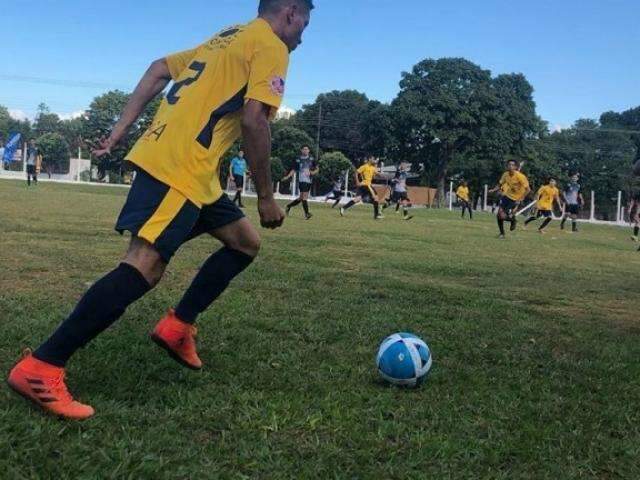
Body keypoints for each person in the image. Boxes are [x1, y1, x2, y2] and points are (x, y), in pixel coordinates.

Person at [7, 0, 314, 420]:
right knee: (145, 266)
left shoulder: (229, 36)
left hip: (196, 172)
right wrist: (265, 196)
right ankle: (42, 366)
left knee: (244, 243)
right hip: (180, 167)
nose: (302, 37)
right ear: (291, 13)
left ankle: (177, 326)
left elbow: (157, 68)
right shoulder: (271, 45)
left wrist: (120, 129)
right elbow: (254, 121)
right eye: (305, 25)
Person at [489, 160, 531, 239]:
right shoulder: (505, 174)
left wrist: (521, 198)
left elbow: (528, 189)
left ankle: (513, 221)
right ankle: (503, 233)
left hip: (515, 199)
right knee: (499, 215)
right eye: (509, 165)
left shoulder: (520, 176)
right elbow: (500, 184)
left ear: (515, 167)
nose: (510, 166)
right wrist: (494, 189)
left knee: (502, 215)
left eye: (512, 165)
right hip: (506, 196)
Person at [340, 156, 384, 220]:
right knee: (376, 198)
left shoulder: (373, 167)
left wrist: (382, 174)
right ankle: (376, 215)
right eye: (373, 159)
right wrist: (357, 182)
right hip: (366, 185)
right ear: (369, 159)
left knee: (357, 199)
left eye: (374, 159)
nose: (374, 160)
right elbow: (356, 173)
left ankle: (343, 208)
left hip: (367, 185)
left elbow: (377, 174)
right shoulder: (364, 166)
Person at [282, 145, 318, 219]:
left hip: (309, 181)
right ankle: (307, 214)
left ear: (309, 150)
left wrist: (312, 173)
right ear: (301, 150)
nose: (305, 150)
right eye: (304, 149)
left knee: (301, 198)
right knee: (304, 197)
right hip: (302, 180)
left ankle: (288, 206)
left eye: (307, 149)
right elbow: (294, 170)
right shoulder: (298, 159)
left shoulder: (312, 159)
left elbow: (317, 169)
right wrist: (288, 176)